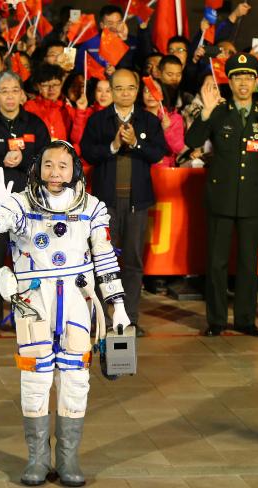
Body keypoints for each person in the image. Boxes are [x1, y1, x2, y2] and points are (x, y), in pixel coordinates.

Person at [0, 141, 131, 487]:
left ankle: (68, 458)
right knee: (36, 378)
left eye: (63, 166)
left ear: (75, 170)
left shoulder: (93, 208)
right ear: (37, 168)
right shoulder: (19, 204)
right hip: (33, 302)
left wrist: (118, 306)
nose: (55, 173)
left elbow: (104, 258)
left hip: (75, 298)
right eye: (48, 165)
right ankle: (38, 459)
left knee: (75, 377)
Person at [185, 52, 258, 337]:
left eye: (249, 77)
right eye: (238, 77)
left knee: (249, 263)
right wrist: (206, 113)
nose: (243, 82)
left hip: (252, 199)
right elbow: (192, 141)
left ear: (255, 81)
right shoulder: (219, 112)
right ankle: (216, 321)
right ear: (230, 80)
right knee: (217, 263)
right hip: (221, 197)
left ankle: (246, 320)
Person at [80, 69, 166, 338]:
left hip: (136, 203)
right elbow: (88, 153)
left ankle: (128, 318)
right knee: (102, 262)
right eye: (119, 88)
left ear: (138, 89)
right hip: (105, 205)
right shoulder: (99, 121)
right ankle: (101, 319)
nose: (125, 93)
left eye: (130, 88)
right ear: (111, 90)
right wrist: (114, 145)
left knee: (133, 263)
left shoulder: (149, 121)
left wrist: (136, 145)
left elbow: (158, 153)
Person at [0, 71, 50, 336]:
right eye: (4, 91)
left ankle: (24, 315)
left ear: (22, 93)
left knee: (27, 260)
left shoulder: (35, 124)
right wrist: (0, 160)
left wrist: (25, 161)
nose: (10, 96)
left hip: (28, 207)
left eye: (15, 90)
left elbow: (46, 160)